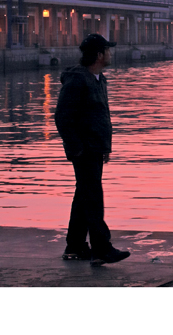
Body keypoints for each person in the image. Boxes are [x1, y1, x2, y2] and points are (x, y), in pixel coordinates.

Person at [55, 33, 130, 266]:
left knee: (84, 196)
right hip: (84, 150)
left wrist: (105, 146)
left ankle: (75, 246)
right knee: (93, 198)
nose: (111, 54)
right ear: (99, 55)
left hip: (95, 148)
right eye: (108, 50)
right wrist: (77, 148)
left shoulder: (98, 79)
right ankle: (101, 248)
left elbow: (100, 116)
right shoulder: (78, 80)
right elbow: (62, 117)